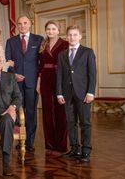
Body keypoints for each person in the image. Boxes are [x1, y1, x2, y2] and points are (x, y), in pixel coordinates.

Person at [56, 25, 96, 163]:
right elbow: (59, 74)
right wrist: (59, 93)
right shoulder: (62, 54)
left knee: (85, 123)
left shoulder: (87, 52)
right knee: (70, 122)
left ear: (80, 36)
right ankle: (74, 148)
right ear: (66, 37)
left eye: (75, 35)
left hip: (83, 93)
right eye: (70, 35)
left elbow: (92, 74)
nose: (72, 37)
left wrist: (90, 92)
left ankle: (86, 151)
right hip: (67, 94)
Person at [5, 15, 43, 152]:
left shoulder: (39, 40)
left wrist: (39, 79)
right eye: (19, 23)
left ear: (30, 24)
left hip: (32, 82)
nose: (22, 26)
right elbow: (8, 61)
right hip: (16, 82)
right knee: (17, 111)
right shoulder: (11, 41)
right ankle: (19, 138)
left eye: (25, 23)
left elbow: (41, 62)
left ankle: (30, 142)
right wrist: (14, 74)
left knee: (31, 112)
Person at [37, 21, 69, 155]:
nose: (50, 31)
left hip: (60, 78)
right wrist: (38, 82)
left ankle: (61, 145)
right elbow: (40, 65)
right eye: (48, 29)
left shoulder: (65, 44)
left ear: (58, 30)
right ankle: (49, 144)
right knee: (47, 112)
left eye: (53, 29)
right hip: (45, 78)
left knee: (61, 112)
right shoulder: (43, 44)